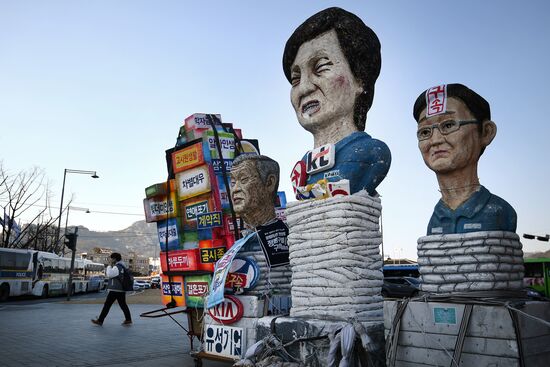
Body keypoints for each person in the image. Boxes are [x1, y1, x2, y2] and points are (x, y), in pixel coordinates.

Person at [282, 7, 391, 196]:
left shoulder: (369, 153)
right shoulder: (303, 167)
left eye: (322, 67)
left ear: (360, 80)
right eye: (295, 79)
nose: (305, 88)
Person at [413, 83, 517, 235]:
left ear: (486, 132)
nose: (435, 140)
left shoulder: (500, 212)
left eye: (448, 125)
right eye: (424, 132)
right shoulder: (435, 220)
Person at [230, 154, 279, 228]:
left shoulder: (293, 236)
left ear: (269, 182)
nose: (235, 189)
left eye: (244, 179)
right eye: (233, 182)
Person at [91, 252, 132, 326]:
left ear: (114, 259)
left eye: (111, 258)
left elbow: (109, 274)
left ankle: (100, 320)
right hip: (121, 289)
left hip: (115, 289)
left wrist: (109, 266)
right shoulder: (122, 266)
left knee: (107, 305)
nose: (110, 260)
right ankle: (128, 319)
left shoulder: (117, 267)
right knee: (123, 305)